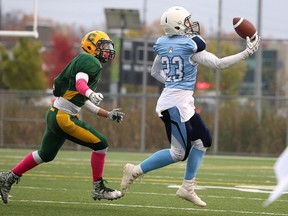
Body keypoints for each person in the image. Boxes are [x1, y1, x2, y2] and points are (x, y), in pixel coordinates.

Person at [121, 6, 260, 207]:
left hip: (179, 101)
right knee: (178, 153)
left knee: (203, 140)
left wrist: (171, 83)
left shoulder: (162, 44)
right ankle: (134, 171)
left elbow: (154, 72)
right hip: (173, 105)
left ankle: (187, 187)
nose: (190, 24)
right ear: (177, 25)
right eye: (186, 21)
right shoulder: (190, 47)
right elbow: (219, 64)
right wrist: (246, 53)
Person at [0, 30, 125, 204]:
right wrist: (90, 92)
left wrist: (108, 114)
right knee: (101, 144)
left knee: (45, 154)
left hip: (55, 113)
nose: (107, 49)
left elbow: (79, 100)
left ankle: (8, 177)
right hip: (63, 117)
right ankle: (98, 188)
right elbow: (80, 83)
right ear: (91, 46)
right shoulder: (89, 60)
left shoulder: (84, 60)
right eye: (103, 46)